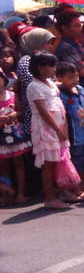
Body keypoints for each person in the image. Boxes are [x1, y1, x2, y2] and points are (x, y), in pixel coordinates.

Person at [27, 53, 72, 209]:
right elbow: (43, 112)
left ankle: (63, 191)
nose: (53, 69)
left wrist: (64, 127)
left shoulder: (51, 83)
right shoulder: (34, 86)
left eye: (53, 66)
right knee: (49, 163)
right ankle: (50, 197)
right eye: (50, 66)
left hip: (59, 126)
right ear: (40, 68)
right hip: (45, 128)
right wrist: (57, 130)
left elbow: (59, 105)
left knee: (60, 159)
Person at [56, 62, 84, 194]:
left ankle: (82, 182)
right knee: (75, 159)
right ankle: (76, 186)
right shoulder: (61, 95)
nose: (75, 80)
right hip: (73, 134)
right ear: (59, 78)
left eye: (76, 76)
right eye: (70, 77)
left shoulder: (80, 89)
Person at [0, 69, 30, 203]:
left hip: (14, 134)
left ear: (4, 79)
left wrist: (15, 114)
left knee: (19, 163)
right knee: (3, 165)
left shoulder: (12, 95)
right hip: (1, 137)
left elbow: (20, 111)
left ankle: (20, 193)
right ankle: (7, 193)